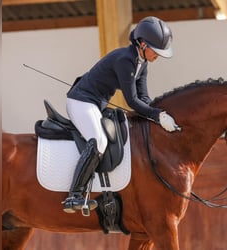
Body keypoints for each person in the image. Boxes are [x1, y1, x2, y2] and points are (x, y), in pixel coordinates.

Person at [62, 16, 180, 213]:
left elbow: (144, 97)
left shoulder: (142, 63)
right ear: (142, 44)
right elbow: (132, 101)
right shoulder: (126, 60)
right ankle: (74, 195)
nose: (158, 55)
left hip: (96, 104)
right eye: (155, 50)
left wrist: (159, 115)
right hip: (81, 102)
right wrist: (157, 115)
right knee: (98, 140)